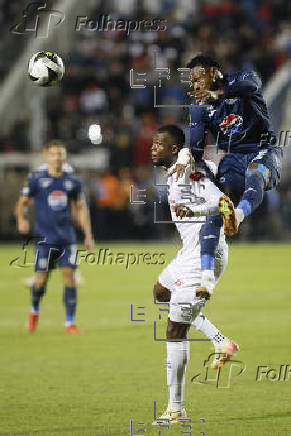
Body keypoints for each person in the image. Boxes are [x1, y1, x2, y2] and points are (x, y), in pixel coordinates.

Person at [151, 125, 238, 424]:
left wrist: (206, 206)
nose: (153, 148)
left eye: (160, 144)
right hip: (188, 252)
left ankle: (176, 410)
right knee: (161, 292)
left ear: (174, 150)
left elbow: (219, 201)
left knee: (175, 329)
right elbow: (206, 163)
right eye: (153, 143)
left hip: (204, 254)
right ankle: (219, 340)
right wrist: (188, 155)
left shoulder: (189, 173)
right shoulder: (184, 167)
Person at [174, 54, 282, 293]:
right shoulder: (201, 109)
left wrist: (219, 94)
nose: (196, 83)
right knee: (216, 208)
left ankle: (239, 216)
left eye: (199, 76)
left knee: (255, 173)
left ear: (213, 72)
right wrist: (195, 167)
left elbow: (251, 86)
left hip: (262, 149)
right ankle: (205, 279)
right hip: (231, 159)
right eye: (192, 80)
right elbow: (197, 148)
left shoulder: (244, 76)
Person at [16, 140, 94, 334]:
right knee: (41, 281)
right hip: (44, 239)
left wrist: (88, 234)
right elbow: (22, 202)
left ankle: (70, 323)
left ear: (64, 156)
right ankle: (34, 311)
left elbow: (81, 208)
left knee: (69, 279)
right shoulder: (36, 179)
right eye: (53, 154)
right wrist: (21, 219)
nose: (57, 157)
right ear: (46, 155)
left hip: (67, 239)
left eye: (60, 154)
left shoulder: (72, 181)